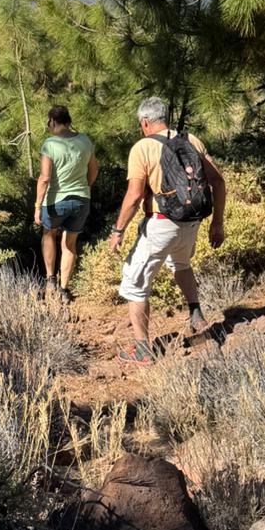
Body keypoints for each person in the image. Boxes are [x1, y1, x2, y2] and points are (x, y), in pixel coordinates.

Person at [107, 96, 225, 364]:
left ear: (145, 122)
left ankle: (142, 350)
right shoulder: (191, 140)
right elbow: (218, 181)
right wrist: (217, 223)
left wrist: (118, 230)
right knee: (181, 263)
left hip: (161, 222)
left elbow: (135, 194)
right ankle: (196, 315)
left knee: (135, 284)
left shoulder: (142, 147)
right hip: (191, 222)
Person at [34, 104, 97, 303]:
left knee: (49, 234)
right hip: (81, 199)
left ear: (52, 121)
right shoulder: (85, 141)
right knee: (70, 243)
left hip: (55, 200)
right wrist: (85, 187)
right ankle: (64, 289)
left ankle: (50, 279)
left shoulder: (50, 144)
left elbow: (44, 177)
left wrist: (37, 206)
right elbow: (93, 169)